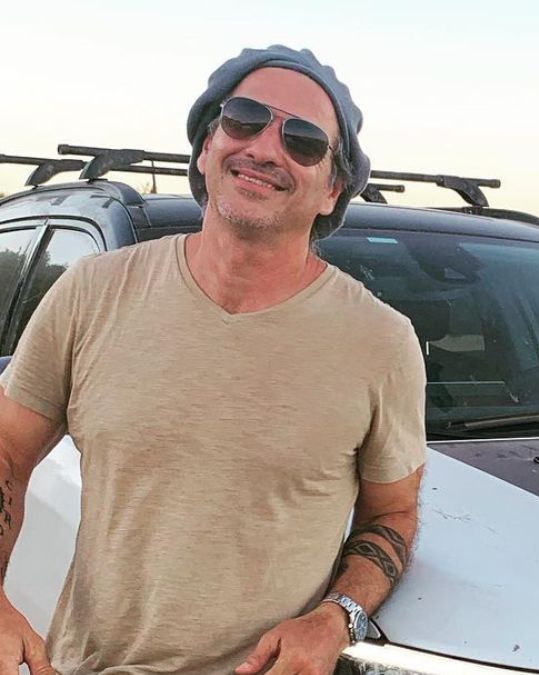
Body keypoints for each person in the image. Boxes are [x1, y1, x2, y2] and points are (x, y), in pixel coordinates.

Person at [0, 45, 427, 674]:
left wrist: (338, 616)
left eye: (304, 141)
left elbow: (391, 511)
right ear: (207, 147)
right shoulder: (93, 291)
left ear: (333, 190)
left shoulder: (380, 341)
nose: (265, 148)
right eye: (244, 118)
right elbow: (7, 450)